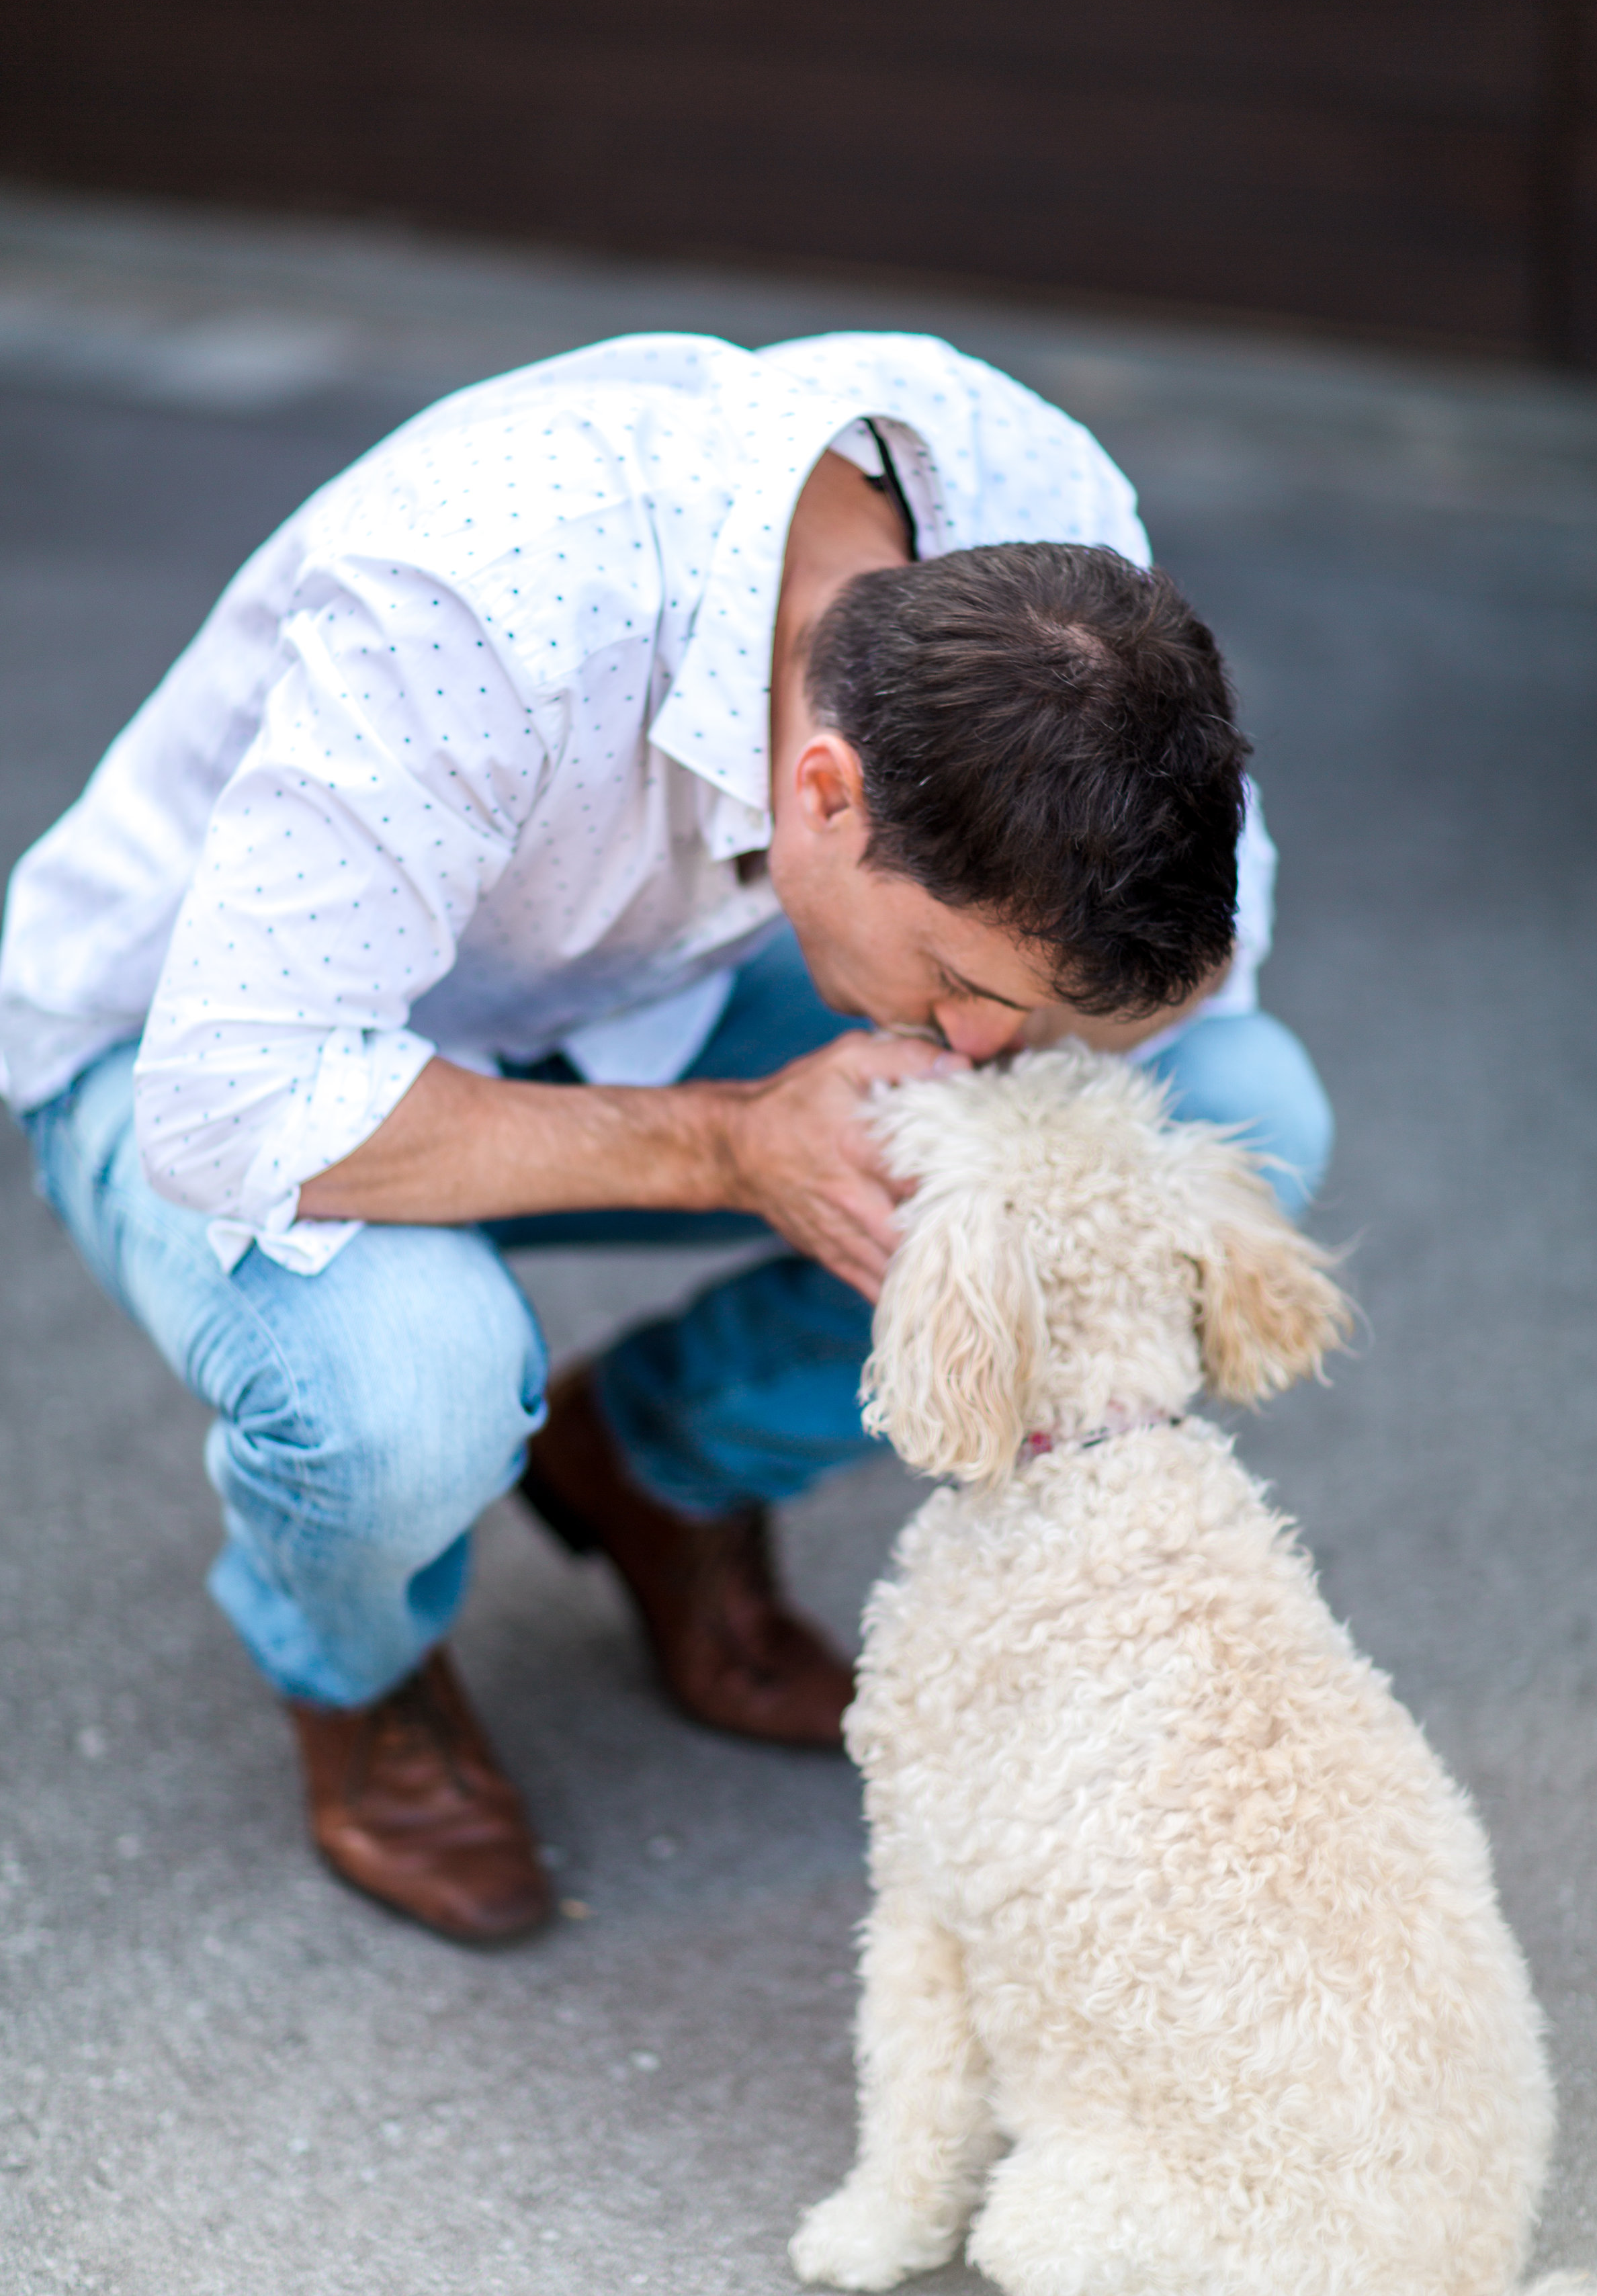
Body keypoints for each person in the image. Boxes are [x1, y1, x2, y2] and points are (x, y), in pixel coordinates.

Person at [0, 331, 1332, 1946]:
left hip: (631, 988)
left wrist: (1027, 1065)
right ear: (828, 794)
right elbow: (238, 1102)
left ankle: (653, 1463)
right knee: (408, 1397)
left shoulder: (1038, 531)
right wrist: (728, 1145)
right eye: (963, 991)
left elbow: (1198, 940)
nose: (976, 1051)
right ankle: (357, 1673)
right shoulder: (480, 593)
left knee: (1224, 1128)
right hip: (199, 1045)